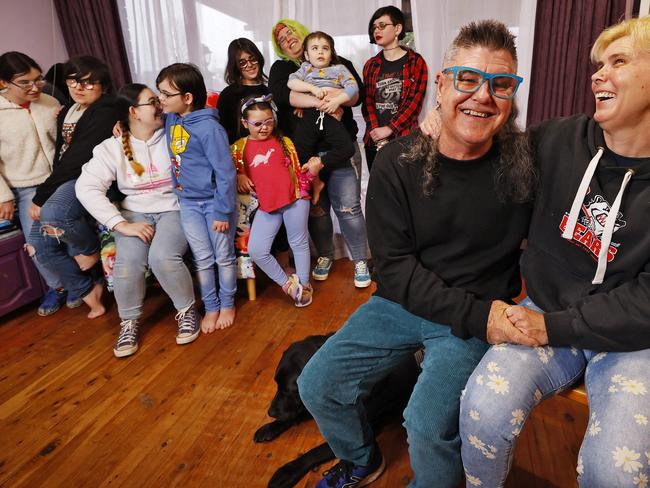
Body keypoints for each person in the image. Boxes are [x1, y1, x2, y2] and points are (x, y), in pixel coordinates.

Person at [298, 20, 536, 488]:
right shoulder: (397, 162)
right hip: (402, 304)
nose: (482, 96)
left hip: (470, 317)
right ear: (442, 85)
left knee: (426, 425)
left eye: (500, 84)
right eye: (467, 79)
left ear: (511, 96)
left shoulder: (527, 161)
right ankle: (361, 459)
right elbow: (395, 268)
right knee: (317, 383)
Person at [459, 16, 650, 488]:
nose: (597, 74)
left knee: (616, 473)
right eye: (598, 64)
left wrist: (555, 327)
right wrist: (448, 130)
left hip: (634, 340)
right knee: (482, 410)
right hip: (546, 308)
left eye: (619, 61)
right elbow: (488, 170)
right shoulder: (558, 138)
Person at [76, 83, 197, 357]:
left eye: (160, 99)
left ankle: (187, 310)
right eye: (152, 101)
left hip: (173, 209)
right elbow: (85, 187)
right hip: (133, 215)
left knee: (163, 257)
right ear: (133, 112)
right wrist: (120, 224)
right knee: (128, 262)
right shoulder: (111, 147)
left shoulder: (174, 134)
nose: (160, 104)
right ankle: (128, 322)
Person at [269, 19, 371, 289]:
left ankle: (360, 259)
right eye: (282, 39)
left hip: (338, 146)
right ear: (306, 53)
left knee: (348, 207)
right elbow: (287, 97)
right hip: (307, 148)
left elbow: (355, 93)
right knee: (317, 209)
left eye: (292, 33)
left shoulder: (338, 65)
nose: (288, 39)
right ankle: (325, 255)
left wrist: (336, 99)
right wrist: (322, 101)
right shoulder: (293, 70)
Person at [28, 55, 118, 319]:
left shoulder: (106, 109)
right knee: (39, 245)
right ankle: (89, 290)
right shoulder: (68, 109)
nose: (80, 87)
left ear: (103, 85)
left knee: (54, 215)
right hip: (66, 177)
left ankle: (88, 251)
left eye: (89, 83)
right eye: (74, 81)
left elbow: (78, 157)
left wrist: (42, 195)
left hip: (89, 177)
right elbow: (61, 154)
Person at [157, 63, 237, 333]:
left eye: (167, 94)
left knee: (223, 257)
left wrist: (223, 212)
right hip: (188, 203)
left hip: (214, 203)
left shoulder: (209, 129)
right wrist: (120, 124)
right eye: (160, 93)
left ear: (187, 98)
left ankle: (227, 304)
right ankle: (211, 306)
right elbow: (142, 118)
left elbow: (225, 174)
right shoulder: (171, 118)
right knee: (202, 259)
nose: (161, 99)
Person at [0, 51, 81, 316]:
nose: (35, 87)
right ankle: (57, 287)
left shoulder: (49, 102)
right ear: (3, 83)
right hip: (24, 188)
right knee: (38, 245)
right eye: (25, 82)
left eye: (38, 79)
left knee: (67, 235)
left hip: (59, 181)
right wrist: (3, 196)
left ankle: (79, 284)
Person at [231, 94, 313, 307]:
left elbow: (297, 169)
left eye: (269, 122)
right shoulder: (238, 148)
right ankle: (288, 285)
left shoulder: (283, 141)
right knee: (257, 250)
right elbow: (231, 173)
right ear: (245, 123)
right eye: (257, 124)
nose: (264, 128)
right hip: (268, 206)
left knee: (299, 242)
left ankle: (304, 287)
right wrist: (239, 175)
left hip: (295, 198)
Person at [287, 30, 359, 203]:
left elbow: (353, 88)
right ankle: (316, 182)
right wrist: (312, 89)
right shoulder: (305, 69)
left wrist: (337, 101)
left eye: (325, 48)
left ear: (331, 53)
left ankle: (319, 163)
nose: (320, 52)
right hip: (311, 115)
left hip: (331, 114)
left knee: (347, 148)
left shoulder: (339, 69)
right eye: (315, 48)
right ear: (306, 54)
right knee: (299, 151)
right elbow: (291, 83)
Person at [362, 6, 428, 171]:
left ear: (397, 28)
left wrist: (389, 129)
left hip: (405, 140)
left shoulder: (415, 61)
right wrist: (377, 133)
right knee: (379, 194)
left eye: (382, 25)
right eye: (375, 27)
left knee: (407, 192)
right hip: (374, 141)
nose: (377, 30)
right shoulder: (371, 65)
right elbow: (368, 101)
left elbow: (414, 103)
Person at [217, 38, 269, 144]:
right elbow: (221, 133)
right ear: (235, 66)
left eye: (252, 58)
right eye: (242, 62)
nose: (249, 65)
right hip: (240, 155)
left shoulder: (269, 90)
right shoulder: (228, 95)